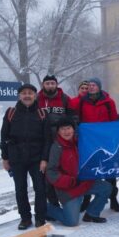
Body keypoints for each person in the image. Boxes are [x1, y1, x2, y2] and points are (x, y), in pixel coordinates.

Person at [46, 117, 111, 226]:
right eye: (63, 129)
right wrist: (71, 181)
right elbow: (51, 172)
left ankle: (92, 213)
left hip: (85, 183)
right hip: (69, 189)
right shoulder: (57, 147)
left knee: (106, 187)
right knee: (71, 222)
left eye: (68, 128)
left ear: (74, 129)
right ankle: (47, 209)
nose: (66, 132)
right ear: (58, 131)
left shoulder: (81, 142)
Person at [0, 83, 49, 230]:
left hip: (36, 158)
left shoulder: (42, 113)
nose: (27, 95)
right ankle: (25, 218)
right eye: (24, 93)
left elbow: (48, 139)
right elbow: (4, 136)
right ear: (19, 96)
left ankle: (40, 218)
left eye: (30, 93)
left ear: (35, 95)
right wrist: (5, 158)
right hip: (17, 158)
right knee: (20, 189)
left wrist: (44, 159)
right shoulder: (11, 112)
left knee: (40, 189)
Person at [72, 77, 119, 212]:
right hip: (89, 142)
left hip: (106, 141)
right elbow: (78, 120)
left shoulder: (108, 102)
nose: (91, 87)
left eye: (94, 85)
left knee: (110, 172)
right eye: (89, 85)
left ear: (99, 87)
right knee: (90, 171)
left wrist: (113, 138)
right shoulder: (82, 102)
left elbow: (114, 122)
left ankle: (113, 199)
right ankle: (87, 200)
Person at [37, 74, 76, 207]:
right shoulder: (37, 99)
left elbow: (73, 117)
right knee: (48, 172)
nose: (50, 86)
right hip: (44, 140)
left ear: (56, 84)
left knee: (64, 169)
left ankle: (69, 201)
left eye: (52, 83)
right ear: (43, 85)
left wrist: (72, 133)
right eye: (47, 84)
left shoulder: (65, 98)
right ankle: (53, 204)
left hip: (62, 139)